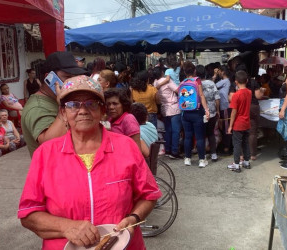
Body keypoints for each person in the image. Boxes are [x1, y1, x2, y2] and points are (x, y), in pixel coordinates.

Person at [18, 75, 161, 250]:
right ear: (63, 113)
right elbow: (28, 213)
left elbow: (149, 194)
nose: (83, 110)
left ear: (102, 111)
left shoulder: (126, 147)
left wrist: (134, 219)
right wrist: (66, 227)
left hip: (123, 245)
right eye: (73, 105)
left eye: (91, 103)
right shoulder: (45, 154)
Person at [21, 51, 87, 157]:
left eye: (74, 77)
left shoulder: (60, 99)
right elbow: (49, 143)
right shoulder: (37, 107)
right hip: (52, 170)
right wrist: (63, 108)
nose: (72, 82)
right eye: (67, 77)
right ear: (49, 78)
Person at [180, 61, 210, 168]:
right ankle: (202, 160)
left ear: (184, 72)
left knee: (187, 137)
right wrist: (206, 109)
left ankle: (187, 158)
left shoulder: (182, 82)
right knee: (199, 137)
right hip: (196, 113)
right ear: (195, 71)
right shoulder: (197, 81)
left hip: (185, 113)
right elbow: (201, 95)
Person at [153, 67, 181, 159]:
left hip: (164, 108)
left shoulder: (155, 83)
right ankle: (174, 151)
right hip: (173, 108)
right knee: (175, 131)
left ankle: (168, 150)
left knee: (168, 130)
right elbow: (178, 90)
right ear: (162, 72)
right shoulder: (167, 81)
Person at [227, 71, 252, 173]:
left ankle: (236, 164)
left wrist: (230, 126)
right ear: (246, 81)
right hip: (247, 122)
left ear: (236, 82)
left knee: (237, 144)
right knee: (246, 143)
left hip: (238, 123)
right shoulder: (249, 92)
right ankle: (246, 161)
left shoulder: (236, 96)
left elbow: (234, 112)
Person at [196, 64, 220, 162]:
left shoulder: (195, 84)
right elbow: (217, 98)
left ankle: (203, 155)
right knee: (211, 133)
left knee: (200, 134)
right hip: (212, 112)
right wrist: (217, 110)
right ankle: (213, 154)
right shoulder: (211, 83)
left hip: (200, 112)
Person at [213, 65, 232, 155]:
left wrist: (214, 75)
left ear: (223, 72)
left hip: (225, 107)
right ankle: (225, 145)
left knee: (226, 126)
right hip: (221, 106)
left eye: (219, 71)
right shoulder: (223, 81)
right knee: (222, 126)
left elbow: (212, 85)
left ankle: (227, 147)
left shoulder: (225, 81)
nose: (218, 73)